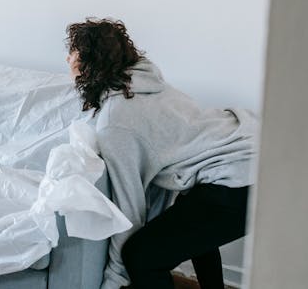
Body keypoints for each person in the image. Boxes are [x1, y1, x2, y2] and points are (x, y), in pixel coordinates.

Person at [64, 18, 256, 289]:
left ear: (87, 63)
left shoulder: (116, 121)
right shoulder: (146, 82)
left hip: (236, 180)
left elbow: (129, 210)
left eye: (73, 52)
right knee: (189, 223)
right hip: (252, 152)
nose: (67, 59)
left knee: (141, 257)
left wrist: (113, 280)